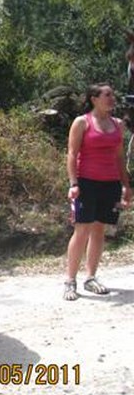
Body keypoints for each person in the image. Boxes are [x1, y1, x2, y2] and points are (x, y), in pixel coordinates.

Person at [63, 82, 130, 300]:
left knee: (99, 230)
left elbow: (120, 158)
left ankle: (90, 277)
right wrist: (73, 184)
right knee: (81, 230)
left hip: (109, 183)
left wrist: (126, 185)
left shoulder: (118, 124)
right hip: (86, 183)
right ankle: (70, 281)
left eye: (112, 95)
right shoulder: (82, 122)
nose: (112, 98)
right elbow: (72, 154)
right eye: (107, 95)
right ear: (94, 98)